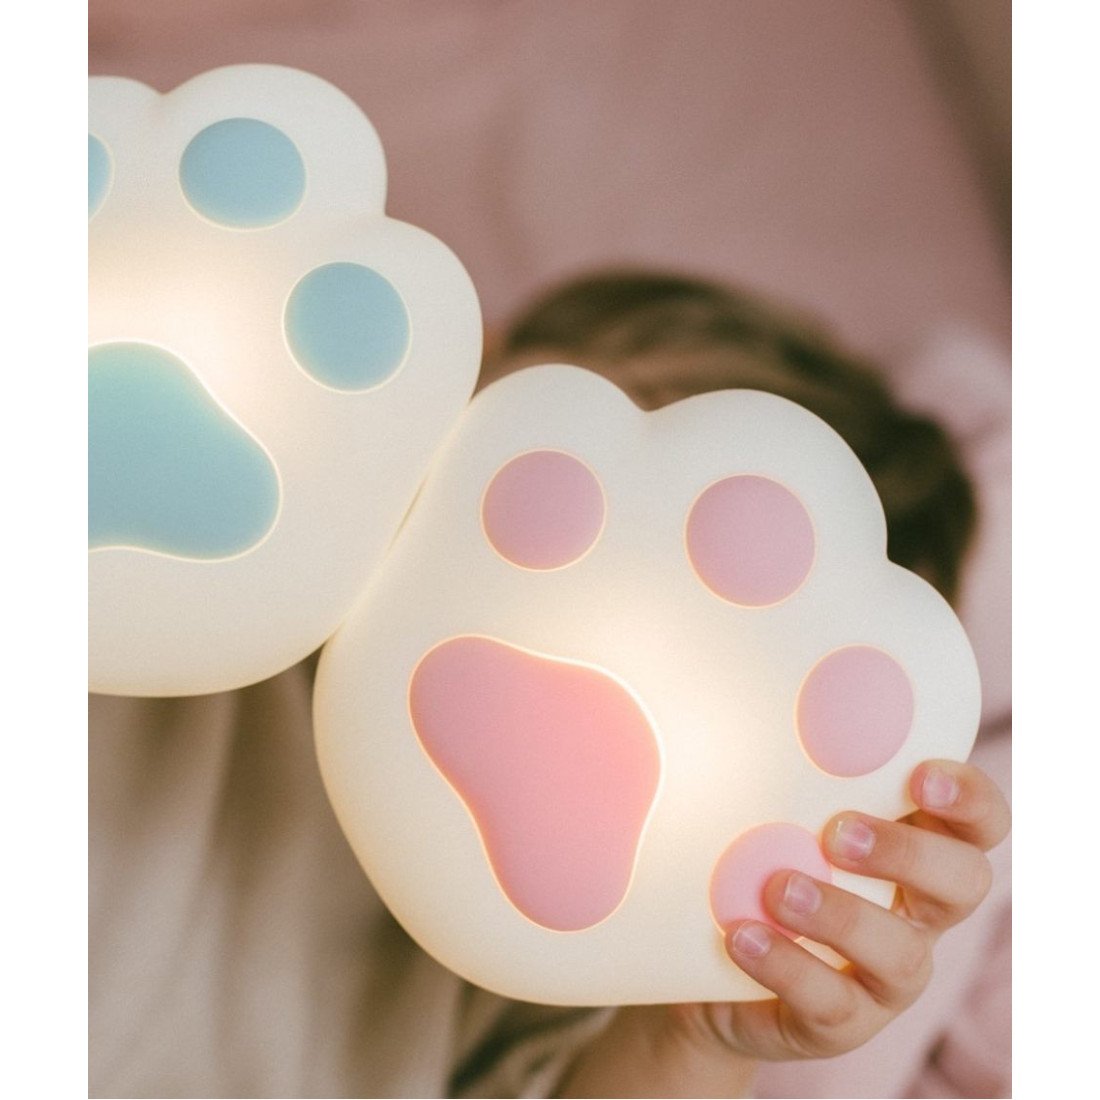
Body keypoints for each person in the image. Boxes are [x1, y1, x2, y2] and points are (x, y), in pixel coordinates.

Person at [89, 269, 1010, 1099]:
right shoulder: (167, 558)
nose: (582, 618)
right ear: (466, 362)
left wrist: (705, 1037)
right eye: (560, 484)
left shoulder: (560, 963)